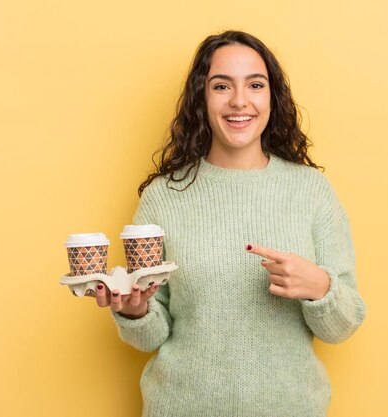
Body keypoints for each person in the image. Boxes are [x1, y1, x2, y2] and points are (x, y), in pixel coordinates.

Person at [94, 30, 367, 417]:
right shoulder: (164, 197)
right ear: (201, 100)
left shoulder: (311, 191)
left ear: (272, 97)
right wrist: (135, 312)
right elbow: (151, 337)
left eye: (255, 85)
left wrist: (320, 287)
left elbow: (343, 325)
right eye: (222, 86)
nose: (240, 101)